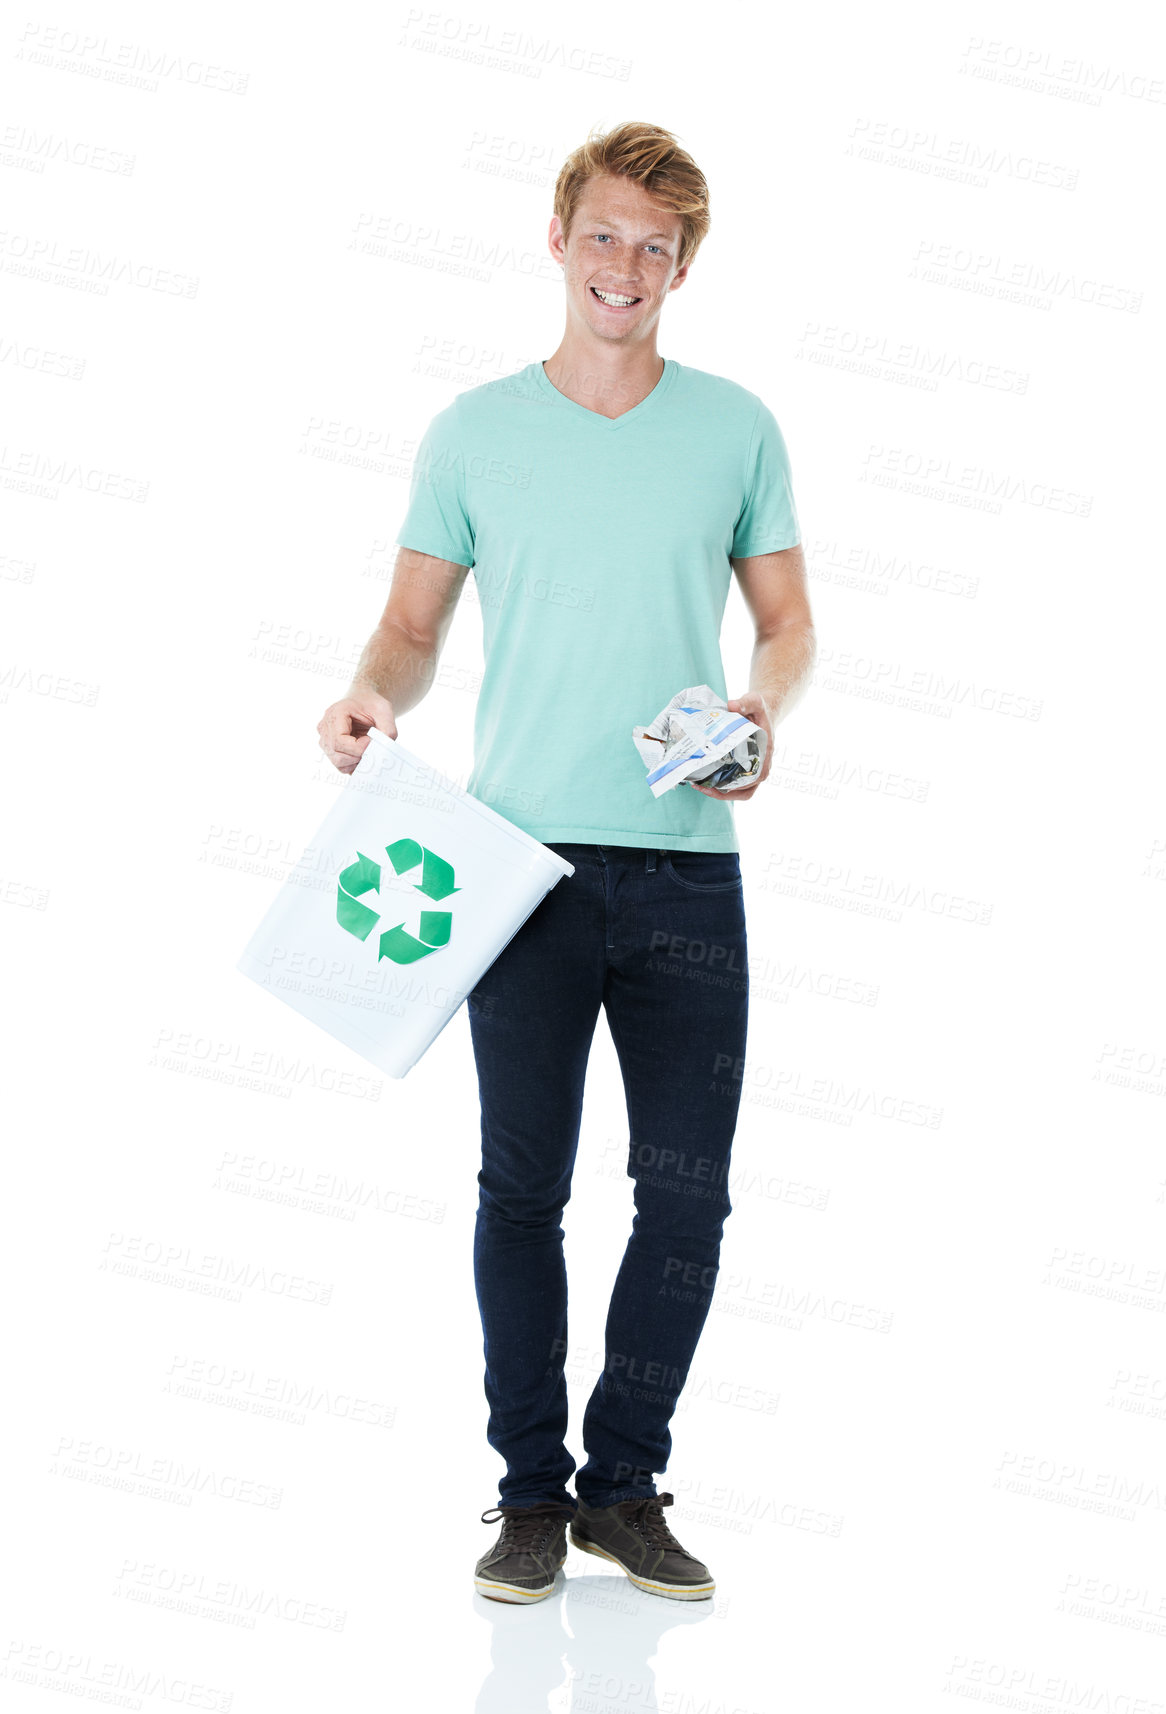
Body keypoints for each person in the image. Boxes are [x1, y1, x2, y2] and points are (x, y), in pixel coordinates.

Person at [317, 120, 816, 1605]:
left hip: (682, 867)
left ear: (684, 266)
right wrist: (368, 696)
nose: (626, 267)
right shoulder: (475, 430)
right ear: (557, 239)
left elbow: (784, 628)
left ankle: (624, 1484)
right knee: (518, 1184)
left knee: (687, 1198)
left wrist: (756, 707)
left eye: (655, 246)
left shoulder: (735, 428)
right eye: (604, 235)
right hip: (516, 863)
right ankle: (529, 1493)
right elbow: (410, 630)